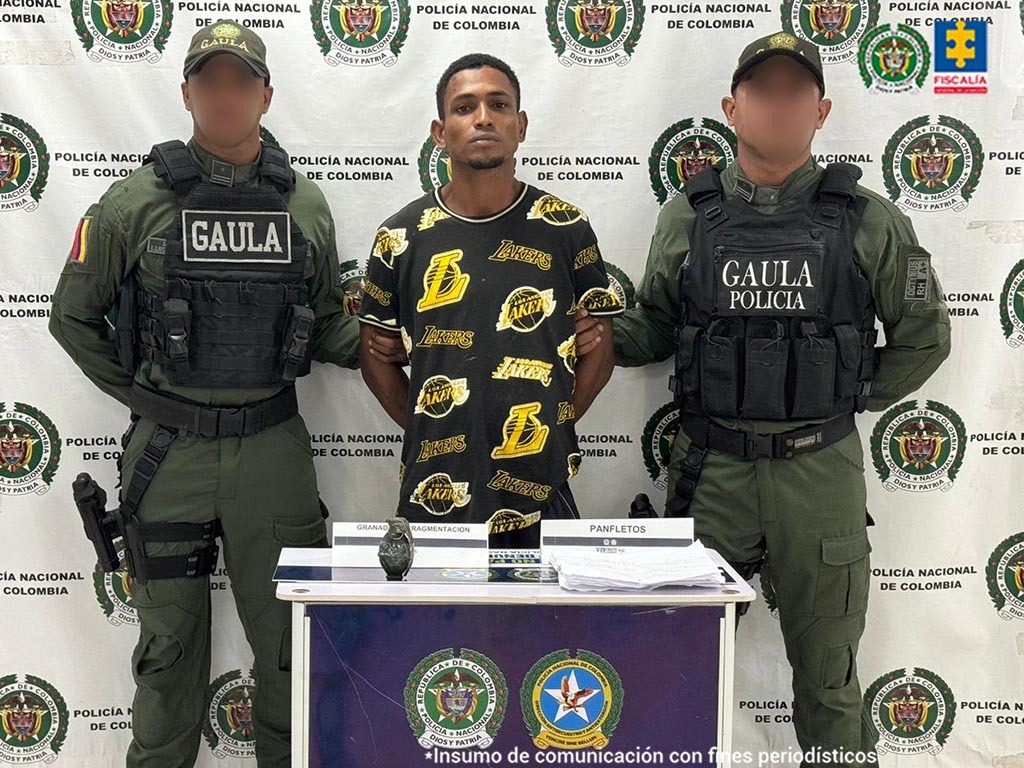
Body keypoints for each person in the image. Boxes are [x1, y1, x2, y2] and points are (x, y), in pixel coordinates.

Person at [49, 20, 404, 767]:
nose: (224, 94)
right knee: (168, 651)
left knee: (287, 648)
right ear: (186, 92)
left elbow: (329, 326)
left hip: (272, 454)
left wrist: (403, 342)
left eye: (241, 80)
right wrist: (151, 399)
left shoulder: (302, 205)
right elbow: (71, 317)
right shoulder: (133, 202)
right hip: (168, 459)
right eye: (208, 80)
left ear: (266, 94)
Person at [612, 32, 951, 766]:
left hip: (819, 474)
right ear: (733, 109)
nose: (778, 104)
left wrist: (841, 394)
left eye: (795, 91)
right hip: (713, 474)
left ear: (821, 111)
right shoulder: (689, 215)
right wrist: (588, 331)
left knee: (830, 686)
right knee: (674, 670)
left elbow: (925, 340)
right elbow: (655, 329)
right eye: (761, 91)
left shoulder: (869, 218)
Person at [359, 53, 620, 549]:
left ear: (520, 125)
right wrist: (435, 424)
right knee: (443, 627)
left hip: (541, 486)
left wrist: (551, 424)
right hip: (434, 487)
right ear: (440, 132)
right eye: (464, 107)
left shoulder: (565, 227)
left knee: (546, 628)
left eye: (498, 104)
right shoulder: (400, 235)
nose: (483, 117)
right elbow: (375, 359)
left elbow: (600, 351)